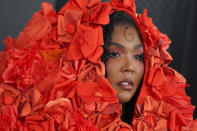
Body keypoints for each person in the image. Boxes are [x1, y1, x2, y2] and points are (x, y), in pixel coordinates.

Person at [0, 0, 196, 130]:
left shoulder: (161, 121)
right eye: (115, 54)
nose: (129, 67)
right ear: (91, 62)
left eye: (138, 57)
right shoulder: (62, 120)